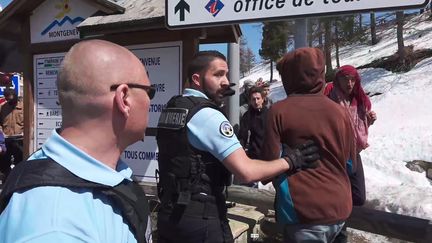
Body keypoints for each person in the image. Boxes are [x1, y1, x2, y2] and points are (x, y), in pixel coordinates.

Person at [156, 50, 321, 243]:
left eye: (226, 74)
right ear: (197, 79)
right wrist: (291, 161)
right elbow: (246, 172)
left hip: (170, 212)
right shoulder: (208, 115)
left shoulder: (174, 107)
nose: (226, 81)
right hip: (201, 218)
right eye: (218, 75)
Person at [0, 40, 153, 243]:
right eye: (149, 92)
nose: (150, 103)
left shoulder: (103, 174)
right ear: (124, 98)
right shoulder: (56, 227)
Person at [260, 47, 357, 243]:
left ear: (290, 76)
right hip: (340, 209)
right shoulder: (339, 112)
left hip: (302, 211)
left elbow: (267, 167)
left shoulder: (278, 112)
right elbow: (350, 164)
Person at [324, 65, 377, 243]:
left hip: (353, 153)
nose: (349, 83)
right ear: (337, 80)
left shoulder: (358, 100)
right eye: (345, 78)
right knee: (335, 194)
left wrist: (368, 121)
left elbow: (357, 129)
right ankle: (338, 232)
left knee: (358, 196)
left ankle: (340, 225)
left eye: (353, 79)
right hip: (333, 155)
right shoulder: (329, 99)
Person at [0, 87, 24, 179]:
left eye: (10, 99)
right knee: (4, 162)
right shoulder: (3, 107)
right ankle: (7, 179)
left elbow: (30, 122)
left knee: (20, 161)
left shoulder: (23, 107)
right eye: (6, 99)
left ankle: (18, 179)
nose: (8, 101)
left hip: (20, 139)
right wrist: (1, 132)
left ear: (15, 97)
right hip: (6, 139)